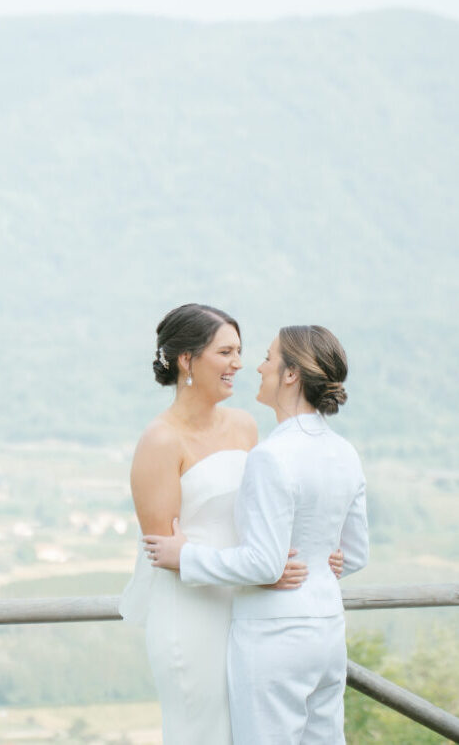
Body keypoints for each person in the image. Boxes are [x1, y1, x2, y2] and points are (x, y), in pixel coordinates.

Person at [120, 306, 343, 745]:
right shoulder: (159, 441)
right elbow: (166, 554)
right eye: (225, 352)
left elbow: (268, 512)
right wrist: (262, 572)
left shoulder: (245, 427)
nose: (239, 364)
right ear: (187, 360)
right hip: (192, 615)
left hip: (251, 613)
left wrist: (316, 552)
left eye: (240, 351)